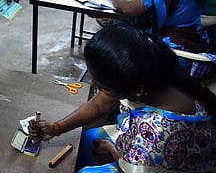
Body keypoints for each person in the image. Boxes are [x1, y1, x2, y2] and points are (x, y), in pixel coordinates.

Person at [29, 23, 216, 172]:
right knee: (90, 137)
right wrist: (57, 128)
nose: (92, 84)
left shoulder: (158, 132)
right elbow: (98, 105)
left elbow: (138, 168)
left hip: (149, 163)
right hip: (144, 151)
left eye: (101, 85)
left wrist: (113, 150)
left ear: (134, 89)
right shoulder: (151, 76)